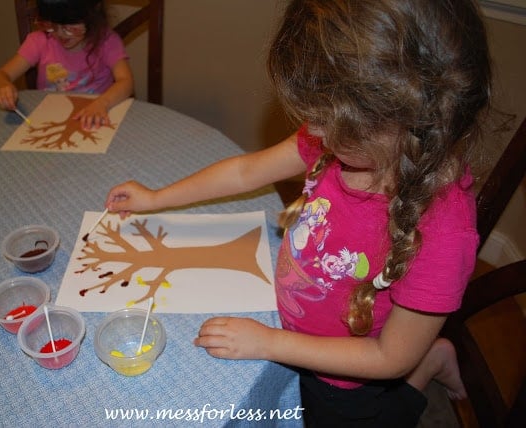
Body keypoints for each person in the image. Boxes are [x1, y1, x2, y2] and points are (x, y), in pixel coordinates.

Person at [104, 0, 490, 425]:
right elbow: (245, 170)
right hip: (299, 330)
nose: (314, 131)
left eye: (326, 121)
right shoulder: (352, 134)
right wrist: (156, 198)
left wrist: (269, 344)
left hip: (350, 377)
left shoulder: (444, 232)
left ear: (398, 118)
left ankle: (429, 364)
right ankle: (428, 352)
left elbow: (388, 358)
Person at [0, 0, 134, 130]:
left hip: (93, 120)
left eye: (69, 27)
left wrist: (102, 103)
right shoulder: (40, 40)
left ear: (92, 17)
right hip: (50, 118)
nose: (60, 33)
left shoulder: (107, 41)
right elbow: (1, 75)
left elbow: (126, 82)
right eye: (51, 25)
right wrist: (4, 86)